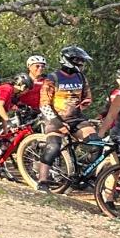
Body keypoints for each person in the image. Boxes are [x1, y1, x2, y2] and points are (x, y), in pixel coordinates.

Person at [37, 46, 95, 191]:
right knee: (53, 147)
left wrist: (85, 103)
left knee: (97, 146)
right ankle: (42, 181)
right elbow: (44, 105)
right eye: (78, 60)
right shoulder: (52, 78)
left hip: (76, 119)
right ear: (67, 60)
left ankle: (83, 175)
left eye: (82, 61)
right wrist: (58, 123)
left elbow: (87, 96)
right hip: (55, 119)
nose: (81, 63)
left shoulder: (81, 77)